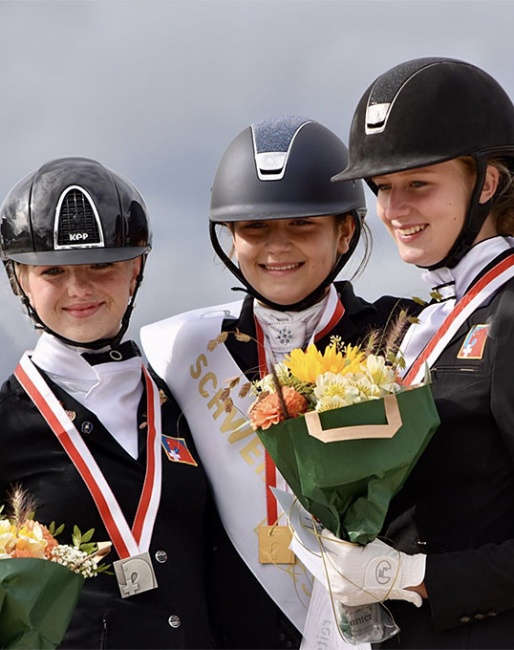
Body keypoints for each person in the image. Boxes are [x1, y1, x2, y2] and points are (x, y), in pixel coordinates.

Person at [141, 115, 417, 649]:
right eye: (256, 228)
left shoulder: (401, 335)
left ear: (346, 231)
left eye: (302, 225)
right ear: (230, 239)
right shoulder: (183, 351)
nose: (277, 247)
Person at [320, 57, 514, 648]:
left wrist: (420, 578)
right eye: (381, 188)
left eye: (418, 184)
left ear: (487, 182)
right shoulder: (431, 319)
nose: (393, 210)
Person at [0, 157, 216, 649]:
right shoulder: (5, 426)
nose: (80, 288)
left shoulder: (185, 402)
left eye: (103, 264)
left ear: (136, 267)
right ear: (20, 280)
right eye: (52, 271)